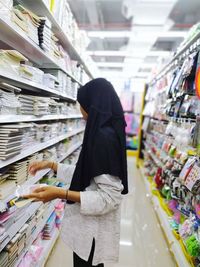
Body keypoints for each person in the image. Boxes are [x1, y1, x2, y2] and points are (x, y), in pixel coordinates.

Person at [25, 78, 128, 267]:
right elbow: (88, 173)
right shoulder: (102, 132)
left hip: (93, 236)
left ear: (92, 105)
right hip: (88, 233)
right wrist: (52, 165)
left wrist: (59, 193)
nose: (81, 113)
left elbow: (110, 198)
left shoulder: (103, 140)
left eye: (81, 105)